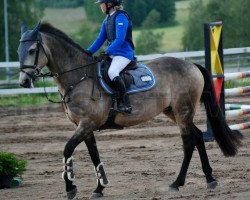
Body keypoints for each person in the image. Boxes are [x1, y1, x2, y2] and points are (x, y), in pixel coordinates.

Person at [87, 0, 135, 114]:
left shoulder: (121, 17)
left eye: (101, 4)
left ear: (109, 4)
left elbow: (120, 39)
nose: (100, 6)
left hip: (123, 54)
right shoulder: (107, 20)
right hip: (112, 54)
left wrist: (106, 52)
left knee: (112, 72)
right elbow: (99, 39)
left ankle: (126, 103)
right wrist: (88, 52)